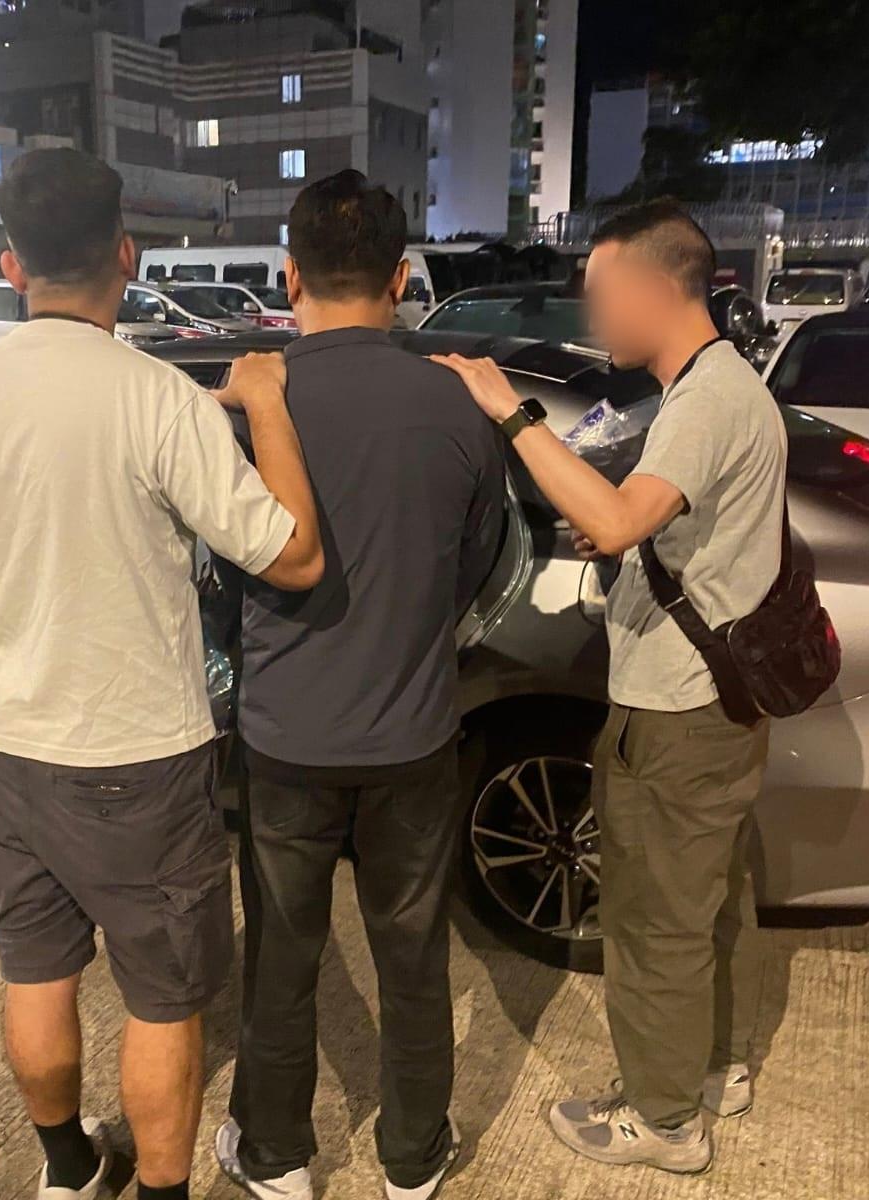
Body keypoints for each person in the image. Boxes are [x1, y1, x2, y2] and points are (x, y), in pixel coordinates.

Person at [0, 147, 324, 1200]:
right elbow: (292, 556)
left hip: (5, 739)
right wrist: (266, 403)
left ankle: (66, 1168)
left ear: (12, 265)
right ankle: (159, 1191)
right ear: (127, 254)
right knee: (163, 998)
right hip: (139, 752)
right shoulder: (157, 398)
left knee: (35, 970)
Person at [435, 199, 786, 1177]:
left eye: (600, 295)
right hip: (716, 705)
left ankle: (664, 1122)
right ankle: (712, 1067)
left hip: (678, 711)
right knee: (704, 905)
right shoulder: (720, 385)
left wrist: (510, 413)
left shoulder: (705, 400)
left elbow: (622, 519)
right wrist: (628, 536)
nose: (593, 318)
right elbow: (658, 524)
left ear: (652, 287)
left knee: (653, 920)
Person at [213, 170, 507, 1200]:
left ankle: (276, 1158)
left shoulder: (252, 404)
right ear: (401, 276)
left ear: (289, 276)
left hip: (284, 736)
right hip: (414, 735)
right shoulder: (459, 405)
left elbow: (222, 575)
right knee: (413, 955)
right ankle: (412, 1160)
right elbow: (479, 563)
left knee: (281, 958)